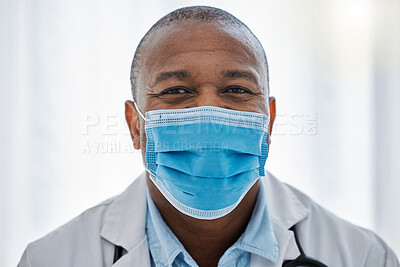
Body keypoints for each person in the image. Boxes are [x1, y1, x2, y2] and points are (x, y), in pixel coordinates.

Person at [18, 6, 399, 267]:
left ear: (268, 123)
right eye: (175, 91)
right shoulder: (51, 258)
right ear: (136, 126)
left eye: (236, 90)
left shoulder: (362, 256)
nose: (210, 113)